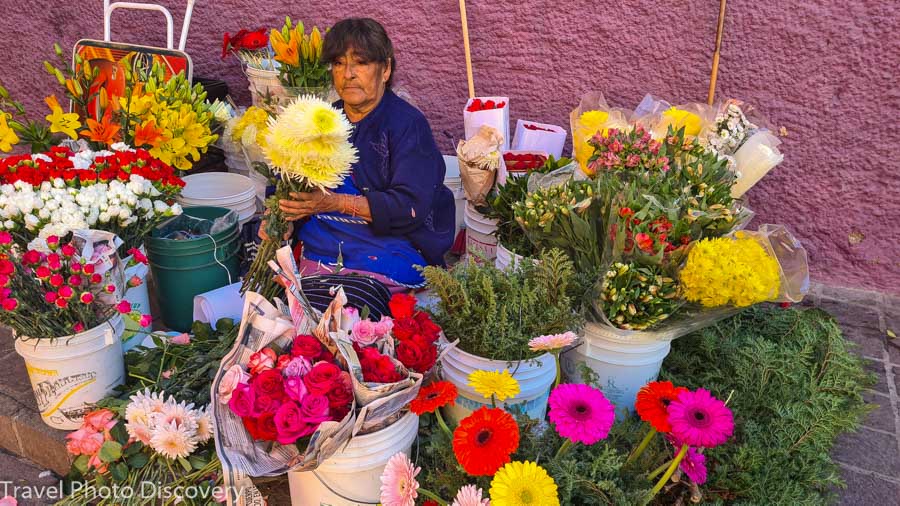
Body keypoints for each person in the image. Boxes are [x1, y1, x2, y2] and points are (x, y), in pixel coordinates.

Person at [260, 18, 455, 292]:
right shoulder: (322, 119)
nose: (347, 73)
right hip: (325, 243)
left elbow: (409, 206)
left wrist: (334, 202)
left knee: (351, 301)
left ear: (385, 69)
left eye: (361, 63)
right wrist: (278, 216)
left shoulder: (407, 125)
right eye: (339, 63)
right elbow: (285, 177)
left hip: (389, 246)